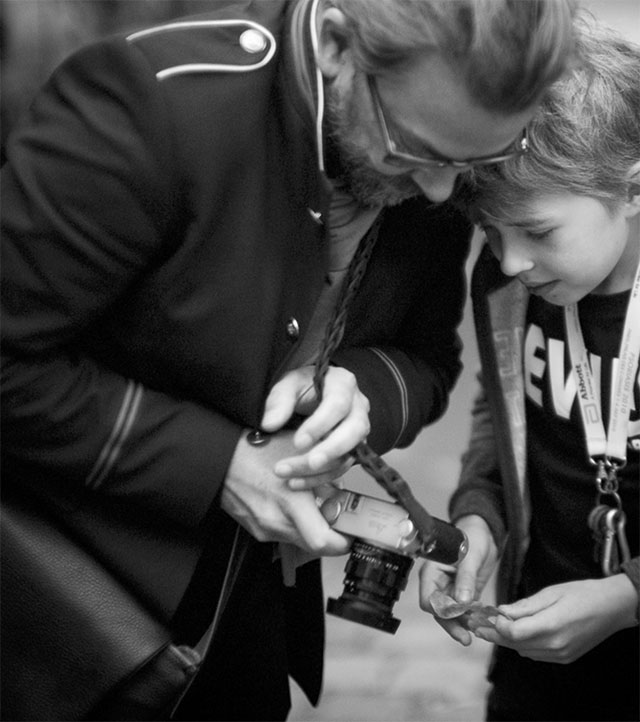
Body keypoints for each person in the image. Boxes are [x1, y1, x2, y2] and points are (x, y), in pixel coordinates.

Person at [1, 0, 576, 719]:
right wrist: (220, 467)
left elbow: (428, 358)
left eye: (473, 164)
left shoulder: (440, 141)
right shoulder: (151, 101)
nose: (438, 193)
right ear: (337, 46)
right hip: (59, 610)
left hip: (246, 613)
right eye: (416, 153)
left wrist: (360, 390)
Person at [419, 16, 640, 722]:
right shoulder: (513, 281)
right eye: (492, 233)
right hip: (540, 655)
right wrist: (478, 518)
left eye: (538, 232)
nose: (510, 262)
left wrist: (628, 598)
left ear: (632, 190)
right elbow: (503, 408)